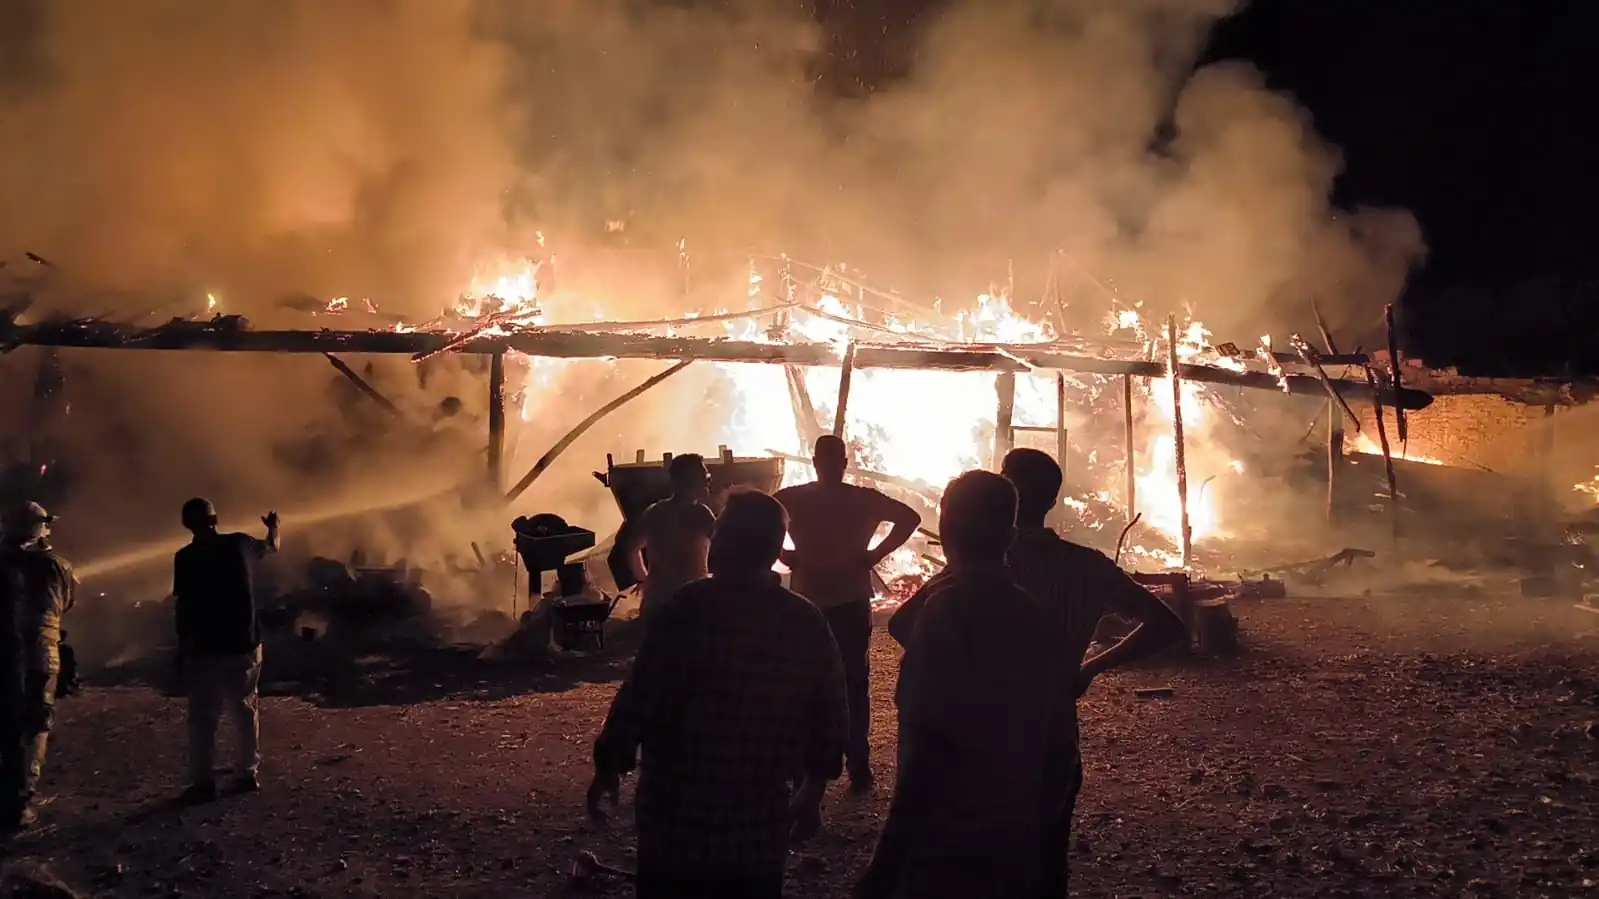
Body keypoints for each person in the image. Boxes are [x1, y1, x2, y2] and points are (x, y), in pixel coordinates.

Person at [889, 449, 1187, 897]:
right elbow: (1166, 625)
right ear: (1050, 500)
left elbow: (901, 625)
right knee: (1045, 863)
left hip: (974, 744)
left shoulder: (978, 564)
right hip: (1051, 737)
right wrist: (1087, 670)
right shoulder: (1087, 566)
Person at [590, 488, 849, 899]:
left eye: (720, 530)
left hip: (677, 815)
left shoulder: (689, 608)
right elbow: (830, 711)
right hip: (757, 821)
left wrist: (609, 763)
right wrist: (814, 789)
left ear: (726, 544)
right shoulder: (803, 620)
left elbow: (642, 692)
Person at [857, 472, 1075, 899]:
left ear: (945, 531)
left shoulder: (944, 614)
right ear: (1011, 536)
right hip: (1015, 836)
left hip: (948, 841)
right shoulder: (1036, 618)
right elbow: (1061, 748)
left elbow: (927, 750)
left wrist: (885, 864)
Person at [774, 434, 920, 793]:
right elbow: (909, 517)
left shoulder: (793, 498)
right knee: (854, 683)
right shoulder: (862, 500)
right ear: (843, 462)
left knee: (804, 683)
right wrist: (874, 554)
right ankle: (858, 765)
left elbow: (755, 516)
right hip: (850, 600)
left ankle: (804, 766)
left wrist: (782, 553)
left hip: (806, 600)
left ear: (814, 461)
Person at [173, 497, 279, 801]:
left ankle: (203, 783)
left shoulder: (185, 558)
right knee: (244, 710)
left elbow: (184, 607)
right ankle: (247, 774)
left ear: (186, 524)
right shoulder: (240, 545)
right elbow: (271, 547)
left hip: (205, 649)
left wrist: (183, 648)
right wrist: (273, 527)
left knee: (203, 718)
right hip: (243, 646)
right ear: (215, 520)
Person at [0, 502, 75, 831]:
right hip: (42, 651)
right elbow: (68, 601)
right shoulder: (57, 565)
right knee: (37, 722)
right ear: (40, 528)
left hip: (4, 652)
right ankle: (21, 801)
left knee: (8, 722)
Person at [626, 454, 716, 623]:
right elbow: (724, 549)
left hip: (656, 604)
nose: (708, 480)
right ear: (692, 480)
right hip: (691, 605)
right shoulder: (701, 514)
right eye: (705, 475)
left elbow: (631, 549)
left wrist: (644, 580)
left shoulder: (654, 512)